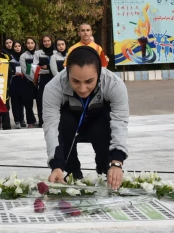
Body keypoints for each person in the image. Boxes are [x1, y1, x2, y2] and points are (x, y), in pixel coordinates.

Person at [42, 45, 129, 189]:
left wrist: (117, 162)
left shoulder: (114, 85)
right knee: (65, 122)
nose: (82, 89)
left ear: (100, 73)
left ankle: (105, 170)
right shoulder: (53, 88)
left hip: (99, 124)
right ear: (67, 73)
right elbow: (51, 127)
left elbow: (120, 123)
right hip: (69, 125)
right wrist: (56, 165)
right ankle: (72, 172)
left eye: (89, 81)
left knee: (102, 127)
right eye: (75, 81)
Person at [34, 35, 56, 127]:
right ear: (42, 42)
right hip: (43, 78)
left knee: (54, 100)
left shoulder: (56, 52)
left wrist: (49, 67)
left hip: (54, 79)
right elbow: (33, 67)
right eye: (44, 41)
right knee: (41, 100)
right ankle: (41, 121)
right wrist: (42, 68)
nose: (47, 43)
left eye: (48, 40)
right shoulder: (38, 53)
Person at [17, 38, 39, 127]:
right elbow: (25, 70)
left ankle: (41, 120)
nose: (30, 45)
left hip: (39, 81)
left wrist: (37, 79)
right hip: (28, 82)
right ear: (25, 45)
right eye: (28, 43)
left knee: (40, 102)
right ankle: (30, 120)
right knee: (28, 102)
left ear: (35, 44)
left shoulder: (38, 54)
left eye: (32, 43)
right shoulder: (23, 56)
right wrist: (33, 79)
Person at [10, 41, 25, 127]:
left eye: (19, 46)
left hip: (23, 81)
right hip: (14, 82)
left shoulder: (23, 56)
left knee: (22, 102)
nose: (17, 48)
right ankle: (17, 121)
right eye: (15, 46)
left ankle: (22, 119)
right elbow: (8, 70)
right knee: (15, 102)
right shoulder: (10, 57)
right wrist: (13, 73)